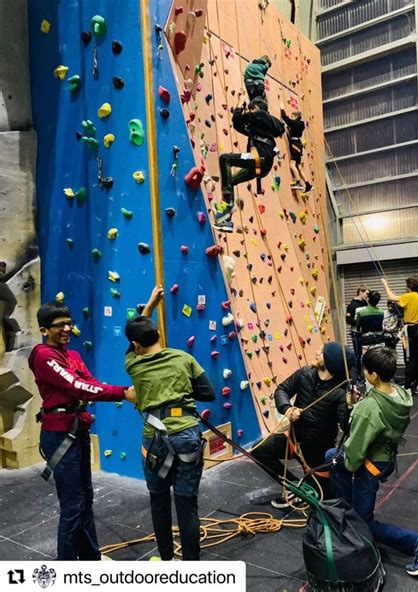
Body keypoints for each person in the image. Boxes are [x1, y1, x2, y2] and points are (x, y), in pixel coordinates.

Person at [326, 347, 418, 577]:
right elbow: (378, 416)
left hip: (369, 465)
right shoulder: (401, 394)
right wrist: (362, 405)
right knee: (333, 458)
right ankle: (352, 515)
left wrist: (356, 411)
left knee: (333, 461)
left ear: (373, 375)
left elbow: (353, 458)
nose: (363, 373)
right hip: (385, 458)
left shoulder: (369, 408)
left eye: (365, 370)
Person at [28, 301, 135, 560]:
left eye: (68, 323)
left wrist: (120, 391)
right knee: (73, 505)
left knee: (86, 498)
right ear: (44, 329)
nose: (66, 328)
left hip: (78, 430)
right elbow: (77, 387)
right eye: (59, 325)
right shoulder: (43, 355)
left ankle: (91, 559)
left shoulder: (72, 356)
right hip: (60, 434)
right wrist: (123, 392)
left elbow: (90, 384)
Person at [125, 286, 216, 561]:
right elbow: (208, 393)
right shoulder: (183, 358)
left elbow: (132, 343)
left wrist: (149, 305)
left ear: (137, 347)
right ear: (159, 335)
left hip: (154, 440)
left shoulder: (134, 364)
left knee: (159, 500)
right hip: (186, 434)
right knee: (187, 505)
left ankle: (166, 561)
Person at [252, 342, 355, 508]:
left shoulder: (341, 392)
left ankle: (308, 488)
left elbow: (346, 426)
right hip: (295, 438)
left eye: (321, 352)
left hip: (317, 449)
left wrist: (351, 407)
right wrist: (287, 408)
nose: (316, 352)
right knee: (259, 450)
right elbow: (282, 390)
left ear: (330, 362)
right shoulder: (305, 373)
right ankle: (296, 488)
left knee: (321, 500)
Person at [214, 94, 284, 233]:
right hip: (263, 164)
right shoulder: (267, 124)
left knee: (225, 158)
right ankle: (226, 221)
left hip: (258, 158)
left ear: (256, 108)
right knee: (231, 181)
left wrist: (240, 103)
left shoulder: (261, 115)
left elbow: (237, 118)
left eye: (252, 110)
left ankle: (227, 206)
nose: (251, 112)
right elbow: (239, 125)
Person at [381, 275, 418, 395]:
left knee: (409, 359)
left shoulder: (410, 296)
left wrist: (385, 283)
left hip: (411, 331)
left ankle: (407, 387)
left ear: (409, 286)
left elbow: (391, 298)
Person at [280, 102, 312, 193]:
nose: (292, 118)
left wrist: (282, 108)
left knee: (292, 165)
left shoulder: (295, 123)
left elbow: (285, 118)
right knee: (298, 166)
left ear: (296, 117)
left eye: (293, 117)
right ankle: (308, 184)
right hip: (299, 144)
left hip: (294, 144)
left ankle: (298, 183)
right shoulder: (301, 125)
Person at [346, 285, 369, 380]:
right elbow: (348, 320)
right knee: (357, 355)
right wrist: (360, 322)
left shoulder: (365, 304)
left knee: (367, 354)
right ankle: (358, 376)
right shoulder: (352, 305)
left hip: (366, 333)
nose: (368, 295)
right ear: (360, 292)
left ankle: (367, 374)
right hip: (356, 333)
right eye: (367, 293)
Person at [0, 261, 18, 359]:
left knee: (7, 325)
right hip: (5, 304)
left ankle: (9, 346)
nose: (3, 268)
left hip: (7, 304)